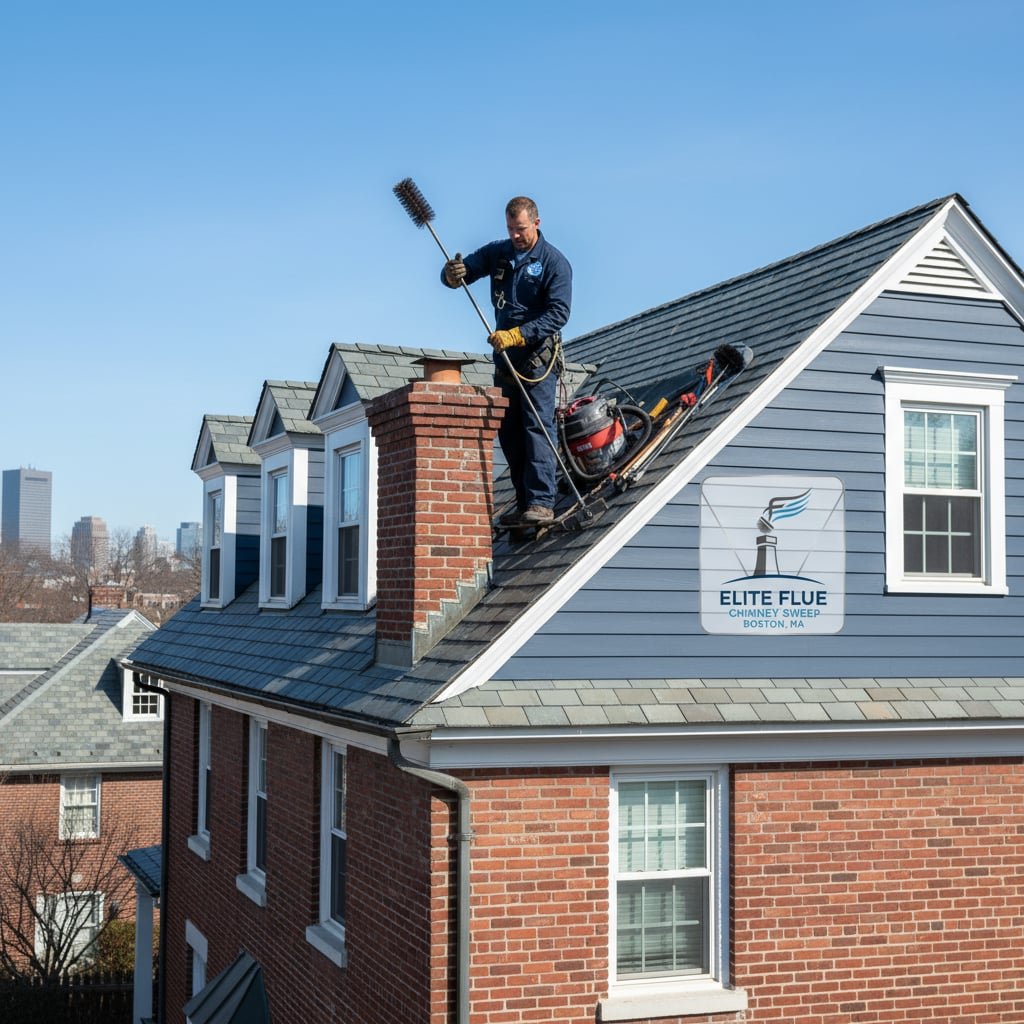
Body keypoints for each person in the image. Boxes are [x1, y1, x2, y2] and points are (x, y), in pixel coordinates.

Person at [441, 196, 572, 525]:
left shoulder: (554, 263)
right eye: (511, 229)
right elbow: (464, 273)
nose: (516, 235)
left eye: (521, 229)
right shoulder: (498, 253)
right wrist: (452, 274)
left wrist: (518, 334)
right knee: (509, 432)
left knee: (536, 428)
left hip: (537, 360)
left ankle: (543, 501)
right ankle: (524, 501)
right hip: (505, 362)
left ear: (537, 224)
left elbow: (559, 313)